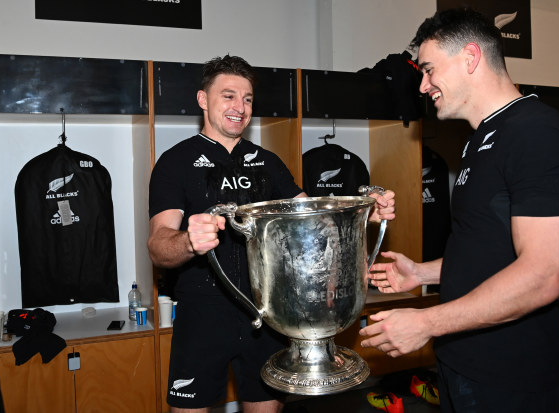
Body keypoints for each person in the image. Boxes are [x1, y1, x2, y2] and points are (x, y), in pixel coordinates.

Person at [359, 8, 559, 413]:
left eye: (429, 70)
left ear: (470, 58)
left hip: (510, 376)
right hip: (462, 364)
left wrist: (426, 323)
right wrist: (422, 272)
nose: (423, 86)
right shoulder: (480, 138)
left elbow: (546, 276)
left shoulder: (538, 133)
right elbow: (490, 250)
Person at [147, 54, 395, 413]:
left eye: (247, 99)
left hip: (268, 318)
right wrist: (187, 240)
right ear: (203, 99)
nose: (240, 107)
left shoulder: (269, 163)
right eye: (228, 95)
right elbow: (158, 246)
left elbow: (315, 219)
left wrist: (366, 210)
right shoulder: (175, 162)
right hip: (202, 316)